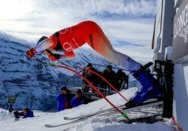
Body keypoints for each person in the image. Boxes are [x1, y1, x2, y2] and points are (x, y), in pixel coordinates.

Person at [26, 20, 163, 106]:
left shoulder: (52, 41)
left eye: (43, 52)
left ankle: (149, 85)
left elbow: (47, 42)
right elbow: (71, 55)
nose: (44, 54)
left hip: (88, 31)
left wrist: (35, 50)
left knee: (112, 57)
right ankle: (148, 81)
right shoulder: (58, 48)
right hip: (89, 28)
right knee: (113, 55)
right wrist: (58, 58)